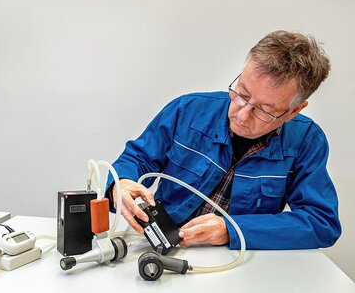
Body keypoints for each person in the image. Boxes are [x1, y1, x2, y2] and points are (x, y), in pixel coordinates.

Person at [106, 30, 341, 250]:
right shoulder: (187, 110)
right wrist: (121, 183)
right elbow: (137, 158)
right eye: (242, 94)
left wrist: (233, 230)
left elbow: (321, 222)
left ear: (293, 111)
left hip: (240, 259)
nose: (242, 114)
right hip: (160, 246)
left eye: (264, 109)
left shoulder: (307, 141)